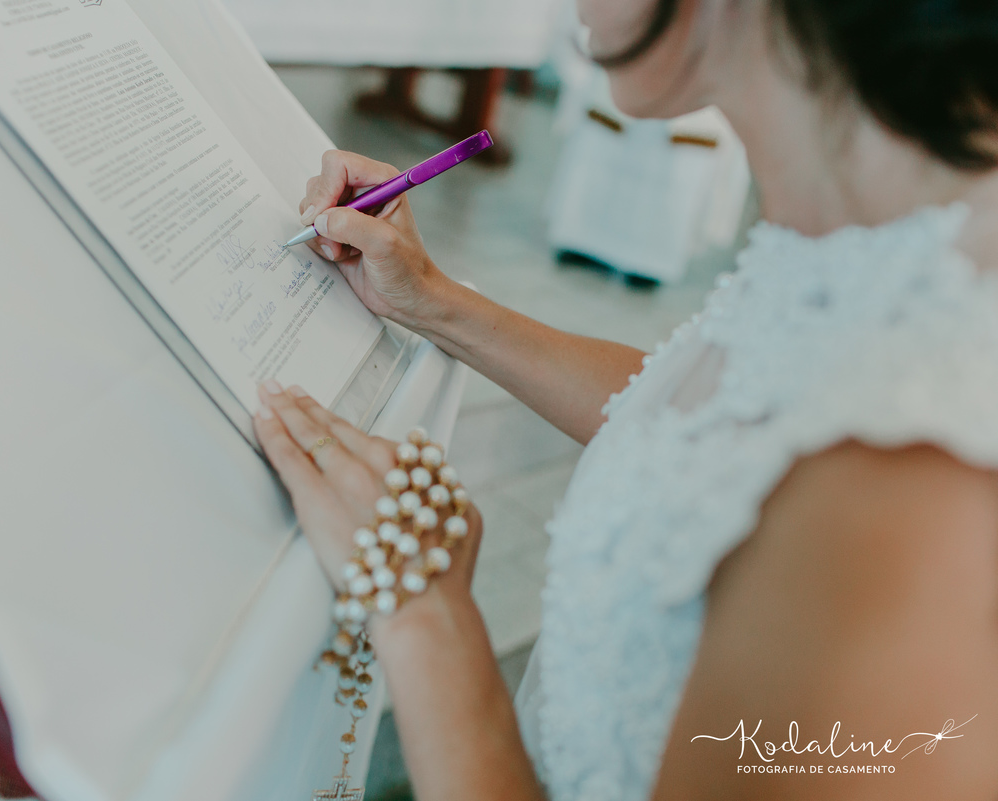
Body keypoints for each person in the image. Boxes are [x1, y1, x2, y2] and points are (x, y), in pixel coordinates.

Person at [251, 0, 998, 798]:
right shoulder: (887, 223)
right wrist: (430, 299)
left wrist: (424, 611)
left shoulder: (906, 476)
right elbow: (713, 421)